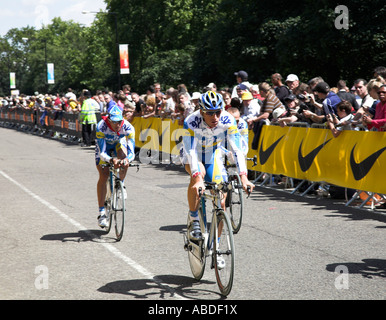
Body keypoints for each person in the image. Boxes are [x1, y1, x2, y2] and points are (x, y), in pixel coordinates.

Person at [180, 91, 254, 240]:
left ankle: (216, 246)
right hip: (192, 154)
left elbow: (237, 150)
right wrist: (197, 178)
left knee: (220, 201)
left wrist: (244, 177)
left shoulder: (228, 119)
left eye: (218, 112)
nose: (215, 117)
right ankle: (194, 219)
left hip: (212, 154)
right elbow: (191, 152)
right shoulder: (191, 121)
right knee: (198, 174)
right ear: (201, 112)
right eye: (210, 113)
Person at [95, 105, 135, 228]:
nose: (117, 125)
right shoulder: (101, 126)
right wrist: (111, 159)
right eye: (113, 122)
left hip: (118, 143)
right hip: (105, 147)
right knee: (104, 174)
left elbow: (132, 152)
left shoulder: (128, 127)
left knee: (124, 158)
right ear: (108, 119)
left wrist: (127, 160)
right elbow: (102, 153)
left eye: (119, 122)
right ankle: (102, 213)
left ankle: (121, 183)